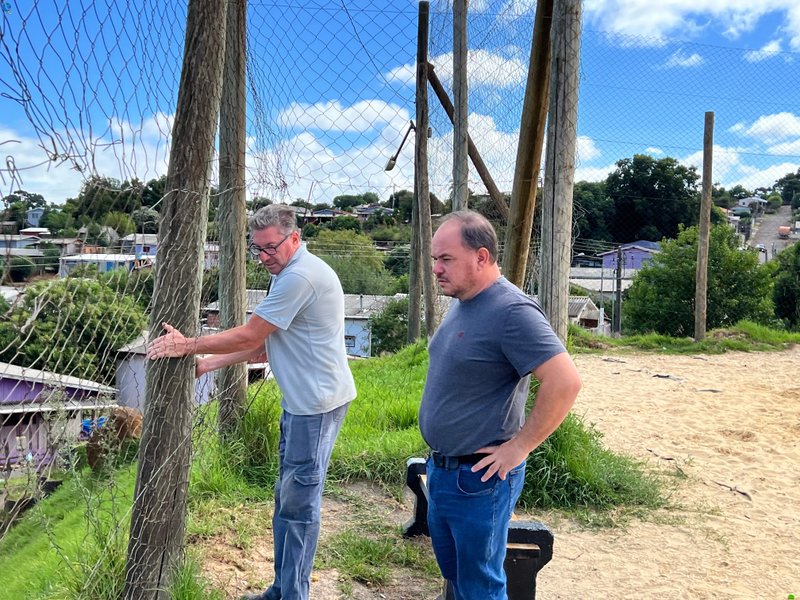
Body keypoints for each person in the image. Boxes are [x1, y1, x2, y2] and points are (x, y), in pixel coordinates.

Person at [147, 204, 356, 600]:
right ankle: (282, 589)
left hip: (315, 406)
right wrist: (208, 363)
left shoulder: (300, 278)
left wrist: (186, 345)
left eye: (270, 248)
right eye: (256, 250)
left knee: (298, 507)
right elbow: (263, 345)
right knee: (287, 497)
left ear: (294, 238)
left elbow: (250, 335)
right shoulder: (287, 273)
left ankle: (292, 595)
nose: (263, 258)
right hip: (306, 403)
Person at [419, 210, 582, 600]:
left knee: (480, 587)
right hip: (444, 469)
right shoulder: (464, 300)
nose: (437, 269)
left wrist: (519, 447)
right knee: (458, 577)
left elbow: (565, 382)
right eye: (434, 259)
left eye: (446, 259)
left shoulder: (512, 311)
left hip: (478, 479)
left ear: (481, 257)